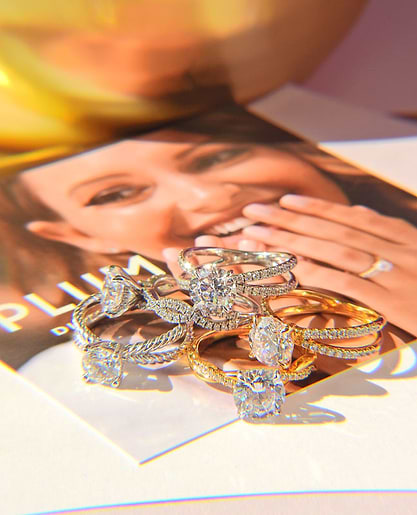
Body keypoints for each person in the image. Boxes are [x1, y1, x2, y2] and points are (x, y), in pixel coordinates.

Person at [1, 106, 416, 371]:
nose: (211, 197)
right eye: (118, 194)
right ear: (76, 234)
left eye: (216, 157)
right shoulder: (143, 364)